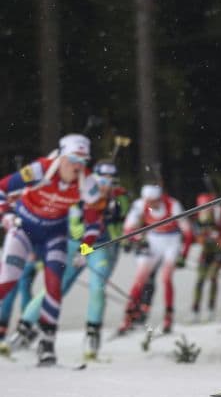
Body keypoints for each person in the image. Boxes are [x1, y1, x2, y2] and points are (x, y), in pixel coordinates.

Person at [5, 160, 130, 359]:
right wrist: (83, 244)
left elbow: (120, 217)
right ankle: (24, 328)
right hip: (75, 246)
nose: (106, 186)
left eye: (111, 182)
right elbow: (74, 226)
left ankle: (92, 336)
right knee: (57, 287)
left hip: (100, 248)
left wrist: (108, 212)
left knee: (97, 287)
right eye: (102, 181)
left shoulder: (119, 197)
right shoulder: (79, 193)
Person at [0, 134, 101, 365]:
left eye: (83, 161)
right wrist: (5, 215)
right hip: (24, 229)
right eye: (74, 159)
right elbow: (2, 189)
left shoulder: (88, 182)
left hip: (54, 234)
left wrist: (85, 249)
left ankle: (46, 346)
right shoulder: (40, 170)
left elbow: (93, 222)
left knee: (54, 286)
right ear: (62, 157)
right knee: (7, 282)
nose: (78, 166)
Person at [117, 181, 192, 335]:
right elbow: (128, 228)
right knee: (140, 279)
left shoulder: (172, 205)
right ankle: (128, 317)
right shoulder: (140, 204)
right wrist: (131, 240)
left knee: (166, 278)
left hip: (172, 241)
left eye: (153, 202)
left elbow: (188, 232)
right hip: (153, 239)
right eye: (148, 202)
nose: (150, 205)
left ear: (160, 199)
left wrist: (183, 255)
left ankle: (168, 317)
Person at [191, 192, 221, 322]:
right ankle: (195, 311)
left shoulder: (220, 217)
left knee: (213, 278)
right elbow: (198, 237)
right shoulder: (199, 220)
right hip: (206, 253)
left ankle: (211, 309)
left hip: (218, 253)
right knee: (200, 281)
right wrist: (203, 235)